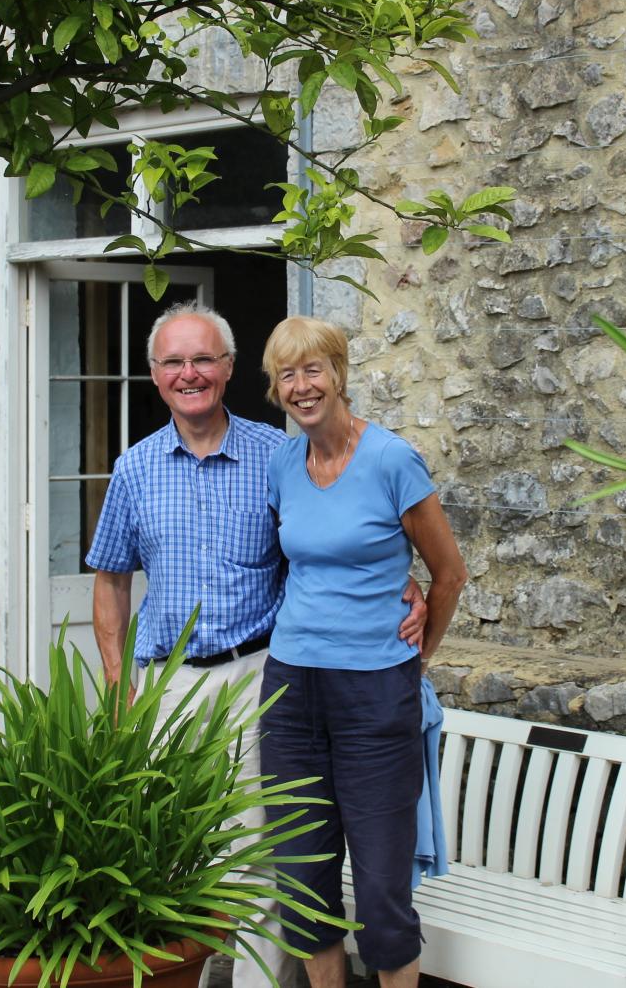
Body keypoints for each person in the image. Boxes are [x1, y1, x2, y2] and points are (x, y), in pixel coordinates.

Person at [85, 301, 422, 988]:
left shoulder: (279, 455)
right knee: (170, 855)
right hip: (165, 685)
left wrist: (402, 579)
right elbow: (111, 583)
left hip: (260, 676)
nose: (190, 374)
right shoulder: (134, 469)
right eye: (175, 362)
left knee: (265, 857)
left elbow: (333, 537)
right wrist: (120, 689)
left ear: (231, 369)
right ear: (154, 375)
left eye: (204, 359)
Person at [256, 315, 467, 988]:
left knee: (380, 892)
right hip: (291, 690)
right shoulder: (283, 463)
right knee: (303, 878)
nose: (301, 386)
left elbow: (450, 573)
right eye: (286, 375)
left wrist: (418, 656)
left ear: (339, 374)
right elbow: (300, 561)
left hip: (376, 693)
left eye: (312, 369)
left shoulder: (391, 460)